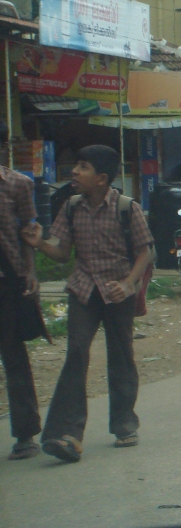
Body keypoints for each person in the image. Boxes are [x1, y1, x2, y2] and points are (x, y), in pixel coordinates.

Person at [25, 146, 153, 463]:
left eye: (82, 167)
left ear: (102, 179)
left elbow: (146, 251)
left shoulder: (127, 208)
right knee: (76, 353)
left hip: (117, 292)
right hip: (84, 291)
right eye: (76, 165)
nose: (74, 172)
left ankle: (124, 424)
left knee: (121, 356)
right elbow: (62, 252)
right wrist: (40, 243)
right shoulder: (70, 207)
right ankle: (65, 434)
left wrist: (128, 284)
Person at [0, 122, 42, 460]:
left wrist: (31, 272)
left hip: (7, 281)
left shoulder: (18, 184)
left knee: (13, 355)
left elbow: (29, 231)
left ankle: (25, 433)